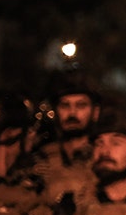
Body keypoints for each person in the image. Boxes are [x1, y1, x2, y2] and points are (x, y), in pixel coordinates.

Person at [34, 72, 101, 204]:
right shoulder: (40, 159)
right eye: (65, 105)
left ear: (95, 112)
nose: (72, 113)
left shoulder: (103, 158)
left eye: (81, 105)